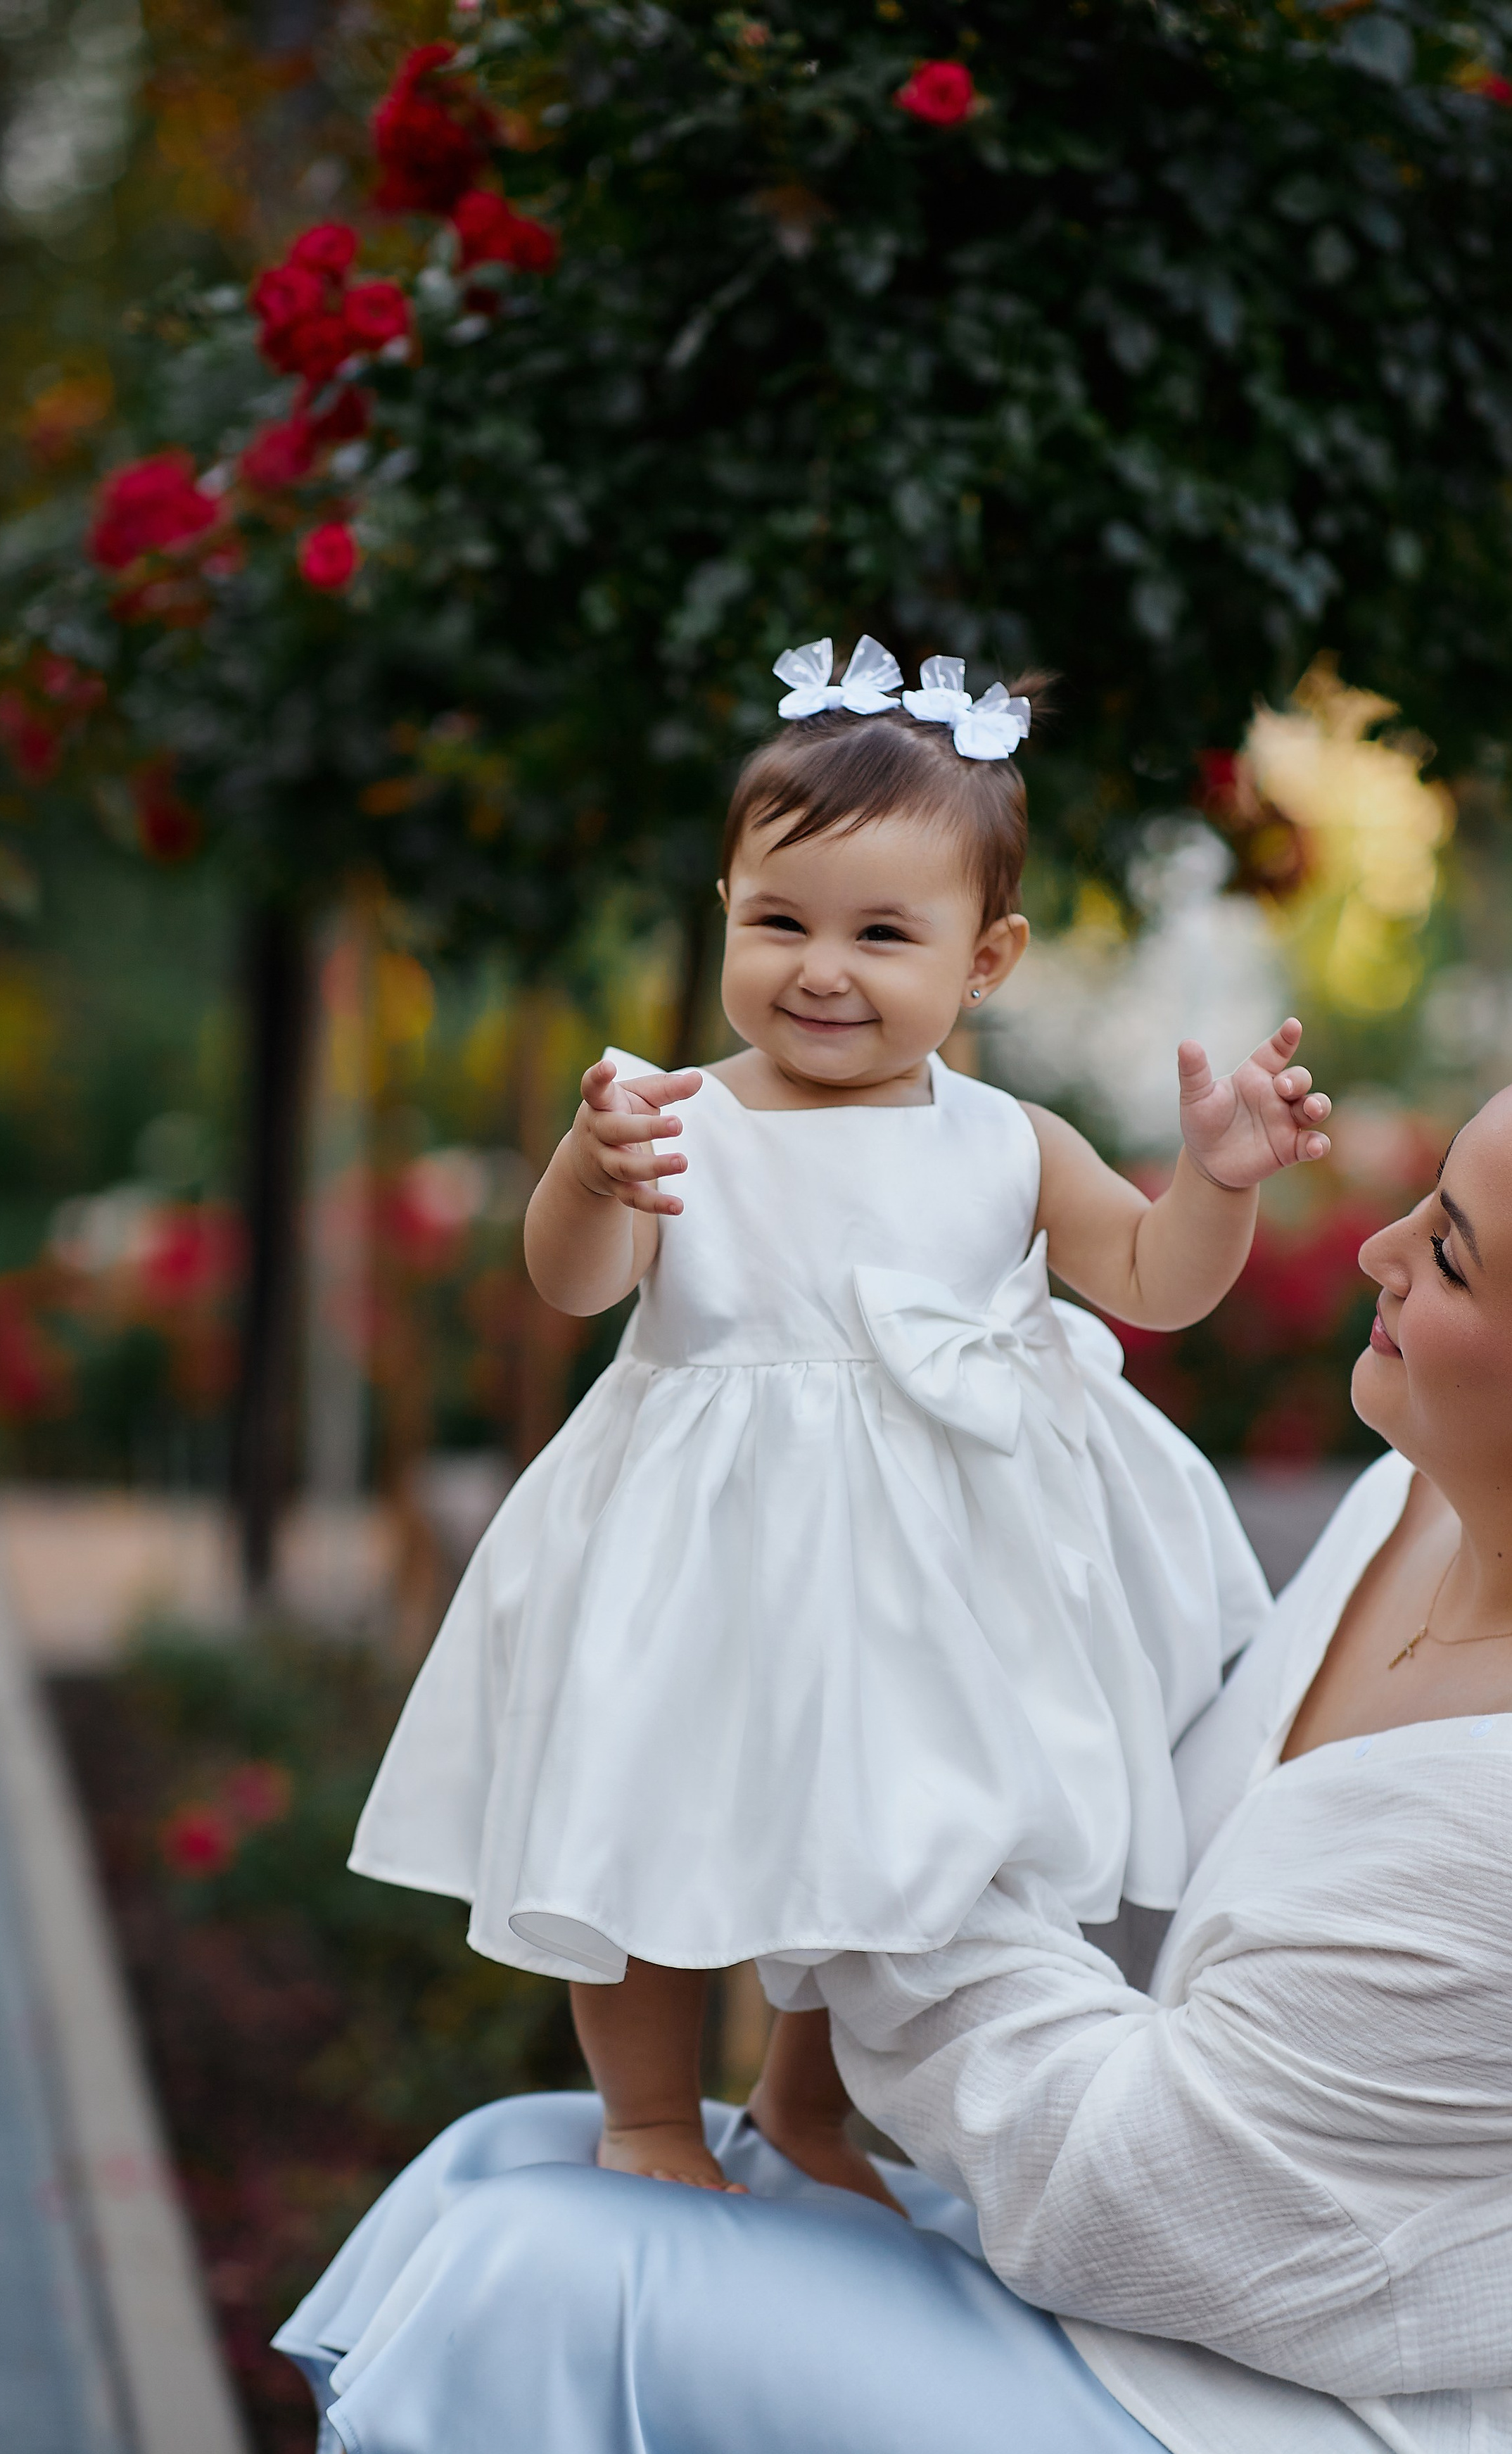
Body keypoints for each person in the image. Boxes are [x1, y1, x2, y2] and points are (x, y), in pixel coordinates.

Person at [287, 1054, 1512, 2454]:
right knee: (497, 2170)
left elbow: (1136, 2193)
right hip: (1229, 2332)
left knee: (523, 2304)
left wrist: (823, 1770)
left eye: (1443, 1253)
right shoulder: (1424, 1507)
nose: (1375, 1248)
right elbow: (1123, 1767)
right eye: (1422, 1202)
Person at [346, 635, 1330, 2200]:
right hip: (706, 1559)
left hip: (924, 1586)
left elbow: (1155, 1283)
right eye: (780, 920)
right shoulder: (672, 1114)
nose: (821, 967)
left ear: (984, 960)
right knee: (653, 1814)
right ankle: (647, 2116)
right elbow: (574, 1285)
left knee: (890, 1853)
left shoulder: (1009, 1141)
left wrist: (1214, 1185)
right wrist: (588, 1177)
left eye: (881, 934)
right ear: (725, 912)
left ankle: (809, 2109)